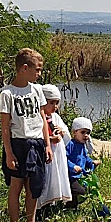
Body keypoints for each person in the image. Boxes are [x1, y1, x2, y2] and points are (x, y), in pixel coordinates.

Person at [0, 48, 52, 222]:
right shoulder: (8, 93)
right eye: (37, 70)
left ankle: (31, 221)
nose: (39, 74)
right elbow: (5, 126)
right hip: (18, 143)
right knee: (16, 185)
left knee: (33, 185)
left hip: (36, 143)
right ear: (24, 68)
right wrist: (9, 153)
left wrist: (47, 145)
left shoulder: (37, 90)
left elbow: (43, 118)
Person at [36, 84, 72, 212]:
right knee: (46, 178)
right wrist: (51, 139)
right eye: (51, 103)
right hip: (46, 153)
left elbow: (67, 135)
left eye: (57, 103)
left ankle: (54, 202)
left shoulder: (56, 117)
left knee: (57, 177)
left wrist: (61, 132)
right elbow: (37, 135)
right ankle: (42, 205)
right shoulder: (38, 117)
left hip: (58, 154)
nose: (55, 107)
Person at [65, 117, 101, 209]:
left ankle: (72, 206)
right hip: (71, 176)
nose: (86, 135)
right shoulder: (71, 144)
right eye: (83, 132)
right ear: (74, 132)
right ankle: (68, 205)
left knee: (88, 188)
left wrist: (92, 162)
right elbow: (64, 159)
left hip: (80, 175)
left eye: (88, 133)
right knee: (80, 191)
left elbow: (85, 158)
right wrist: (73, 167)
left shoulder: (82, 146)